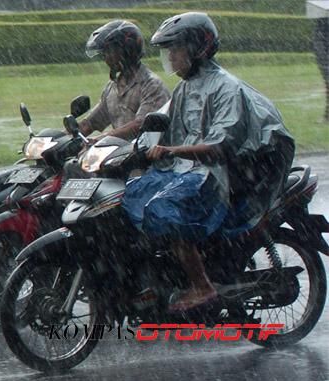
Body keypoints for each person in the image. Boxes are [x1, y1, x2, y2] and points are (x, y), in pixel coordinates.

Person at [122, 12, 295, 311]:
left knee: (163, 207)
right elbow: (163, 123)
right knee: (134, 191)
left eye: (175, 49)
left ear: (197, 48)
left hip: (225, 175)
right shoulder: (186, 86)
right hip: (194, 168)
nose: (171, 57)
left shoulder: (227, 88)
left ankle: (202, 285)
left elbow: (219, 146)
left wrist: (172, 151)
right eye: (168, 51)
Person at [79, 20, 170, 141]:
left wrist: (101, 138)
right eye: (104, 53)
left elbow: (140, 126)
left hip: (149, 156)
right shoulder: (112, 87)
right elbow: (89, 123)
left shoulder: (151, 85)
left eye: (110, 51)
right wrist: (60, 139)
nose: (107, 58)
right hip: (120, 156)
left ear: (128, 50)